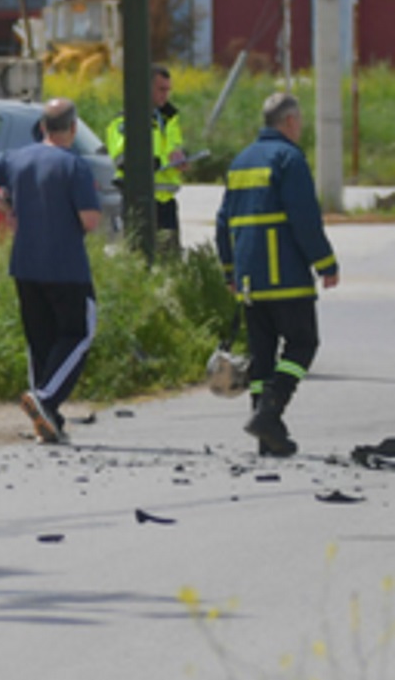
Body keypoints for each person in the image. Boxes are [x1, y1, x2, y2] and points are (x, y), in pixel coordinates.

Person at [0, 98, 103, 445]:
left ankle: (48, 419)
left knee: (41, 340)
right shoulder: (75, 166)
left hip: (25, 265)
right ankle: (45, 399)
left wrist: (7, 208)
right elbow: (90, 220)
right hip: (66, 266)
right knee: (78, 332)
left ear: (42, 128)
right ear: (72, 128)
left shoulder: (17, 158)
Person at [216, 92, 339, 457]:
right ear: (289, 122)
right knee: (303, 344)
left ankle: (265, 433)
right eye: (299, 121)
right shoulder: (289, 158)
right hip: (284, 275)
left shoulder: (240, 161)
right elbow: (305, 218)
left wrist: (229, 270)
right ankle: (270, 412)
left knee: (263, 354)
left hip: (250, 277)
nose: (300, 127)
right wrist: (325, 263)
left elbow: (223, 223)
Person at [105, 63, 187, 241]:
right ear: (145, 87)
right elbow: (122, 158)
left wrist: (181, 158)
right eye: (161, 89)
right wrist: (153, 162)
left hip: (166, 202)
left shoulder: (169, 120)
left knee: (171, 259)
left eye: (168, 90)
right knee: (142, 256)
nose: (165, 95)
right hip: (140, 200)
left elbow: (174, 148)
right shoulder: (124, 121)